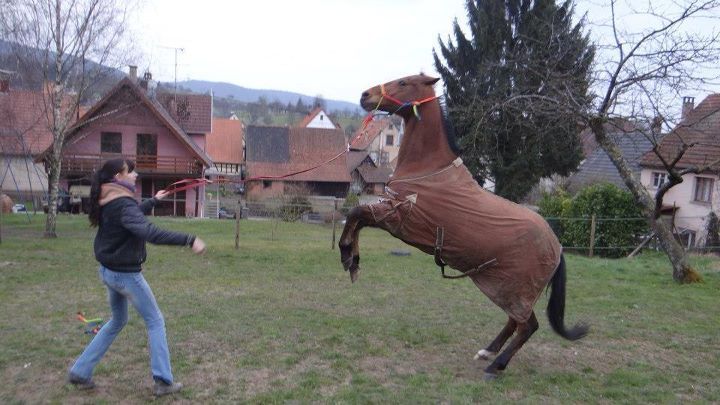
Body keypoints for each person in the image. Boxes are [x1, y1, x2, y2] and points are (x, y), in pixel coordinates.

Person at [67, 158, 206, 397]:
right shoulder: (122, 202)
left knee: (118, 320)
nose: (135, 174)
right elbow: (148, 231)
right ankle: (163, 381)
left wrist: (153, 201)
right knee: (155, 320)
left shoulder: (109, 196)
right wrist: (189, 240)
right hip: (126, 276)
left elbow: (129, 218)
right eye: (130, 171)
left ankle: (80, 371)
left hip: (109, 272)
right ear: (118, 177)